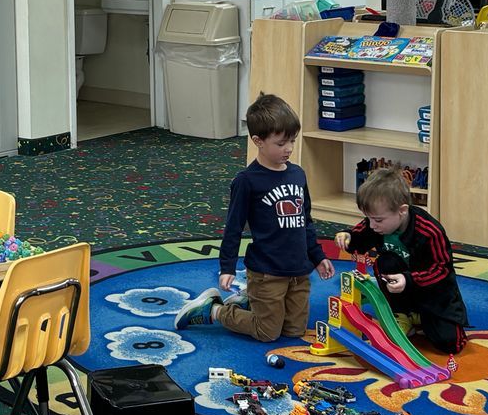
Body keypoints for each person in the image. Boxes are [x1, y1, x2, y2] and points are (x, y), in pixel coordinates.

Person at [177, 93, 333, 338]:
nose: (289, 149)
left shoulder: (298, 174)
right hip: (267, 272)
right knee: (267, 332)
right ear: (258, 141)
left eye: (292, 140)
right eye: (280, 144)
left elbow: (306, 221)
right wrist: (226, 267)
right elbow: (234, 227)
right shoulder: (247, 181)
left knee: (294, 331)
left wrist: (317, 256)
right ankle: (214, 311)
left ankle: (249, 302)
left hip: (298, 271)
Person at [338, 168, 468, 356]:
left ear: (402, 211)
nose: (372, 225)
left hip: (432, 293)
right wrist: (347, 236)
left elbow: (442, 270)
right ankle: (401, 313)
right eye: (369, 218)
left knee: (449, 344)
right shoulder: (376, 224)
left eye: (378, 220)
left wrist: (409, 279)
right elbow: (360, 233)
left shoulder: (430, 231)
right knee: (385, 262)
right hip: (399, 289)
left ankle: (421, 316)